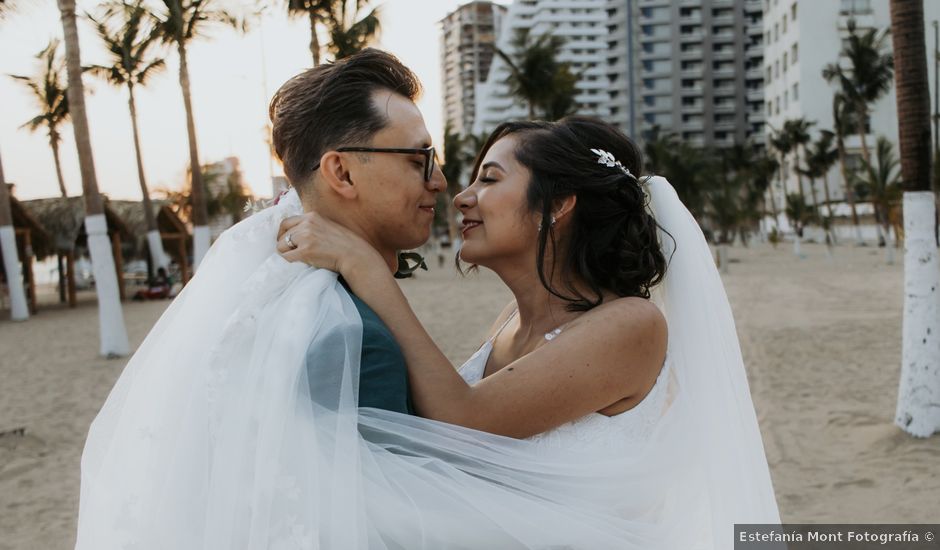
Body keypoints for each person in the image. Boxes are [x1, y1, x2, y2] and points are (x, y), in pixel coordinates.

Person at [75, 51, 778, 549]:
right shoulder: (510, 323)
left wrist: (366, 267)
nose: (455, 191)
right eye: (432, 165)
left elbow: (465, 422)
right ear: (341, 171)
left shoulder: (632, 323)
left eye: (487, 178)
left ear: (558, 205)